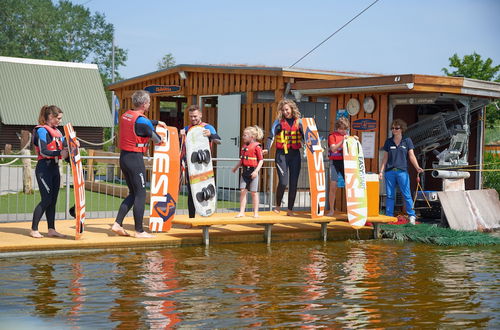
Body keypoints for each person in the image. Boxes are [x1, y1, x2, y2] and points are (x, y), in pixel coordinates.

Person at [112, 90, 167, 238]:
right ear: (144, 104)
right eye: (148, 102)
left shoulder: (126, 115)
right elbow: (156, 138)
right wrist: (162, 137)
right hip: (135, 159)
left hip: (124, 157)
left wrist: (157, 122)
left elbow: (143, 124)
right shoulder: (142, 121)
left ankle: (117, 223)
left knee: (133, 192)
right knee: (141, 194)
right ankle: (139, 231)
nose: (149, 105)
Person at [30, 105, 69, 238]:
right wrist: (60, 152)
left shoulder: (57, 132)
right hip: (44, 169)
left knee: (53, 200)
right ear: (51, 117)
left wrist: (73, 145)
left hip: (54, 168)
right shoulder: (42, 130)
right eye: (58, 118)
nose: (60, 121)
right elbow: (43, 151)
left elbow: (66, 145)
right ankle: (34, 229)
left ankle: (51, 229)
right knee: (46, 199)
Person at [379, 119, 424, 225]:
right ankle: (389, 216)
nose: (394, 130)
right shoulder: (388, 141)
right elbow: (385, 158)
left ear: (402, 129)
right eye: (393, 128)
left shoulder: (407, 141)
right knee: (390, 195)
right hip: (390, 172)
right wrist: (381, 171)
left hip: (402, 171)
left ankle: (412, 216)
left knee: (406, 194)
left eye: (396, 128)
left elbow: (411, 155)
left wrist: (417, 167)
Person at [180, 105, 221, 218]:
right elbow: (182, 146)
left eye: (195, 116)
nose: (193, 119)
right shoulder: (187, 129)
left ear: (200, 115)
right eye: (191, 116)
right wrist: (181, 135)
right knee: (192, 192)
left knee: (208, 190)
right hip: (191, 167)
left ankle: (207, 216)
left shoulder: (207, 127)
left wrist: (210, 135)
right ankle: (191, 219)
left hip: (204, 166)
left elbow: (218, 140)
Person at [264, 99, 303, 216]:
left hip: (295, 155)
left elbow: (308, 138)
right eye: (283, 110)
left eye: (287, 109)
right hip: (281, 155)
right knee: (283, 182)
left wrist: (314, 149)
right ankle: (278, 206)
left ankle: (290, 209)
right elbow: (271, 136)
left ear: (292, 109)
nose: (285, 112)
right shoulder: (278, 123)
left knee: (293, 183)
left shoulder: (299, 123)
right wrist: (267, 148)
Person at [232, 125, 265, 218]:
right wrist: (235, 167)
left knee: (254, 192)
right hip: (245, 172)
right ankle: (242, 212)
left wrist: (256, 172)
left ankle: (256, 213)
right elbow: (242, 160)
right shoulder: (244, 147)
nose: (243, 137)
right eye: (243, 135)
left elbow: (261, 160)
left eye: (245, 135)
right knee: (243, 191)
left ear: (252, 137)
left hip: (253, 172)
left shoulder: (257, 147)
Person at [326, 117, 350, 217]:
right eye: (341, 128)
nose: (343, 131)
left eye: (345, 129)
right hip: (335, 163)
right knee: (333, 186)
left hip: (346, 163)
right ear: (337, 128)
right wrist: (342, 141)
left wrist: (354, 140)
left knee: (350, 188)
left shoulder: (348, 136)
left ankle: (351, 211)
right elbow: (333, 149)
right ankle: (331, 210)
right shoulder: (332, 136)